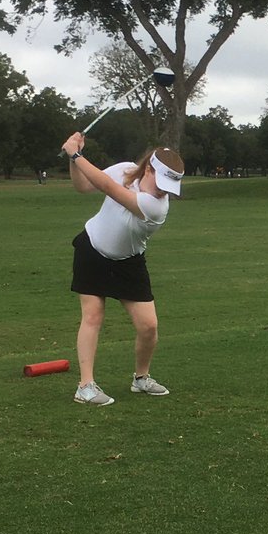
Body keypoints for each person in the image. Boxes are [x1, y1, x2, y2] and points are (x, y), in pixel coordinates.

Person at [59, 132, 185, 406]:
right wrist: (73, 158)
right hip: (92, 249)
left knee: (149, 326)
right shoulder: (125, 170)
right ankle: (85, 386)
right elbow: (83, 186)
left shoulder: (156, 207)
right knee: (92, 317)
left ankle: (141, 379)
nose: (164, 191)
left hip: (129, 261)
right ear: (149, 168)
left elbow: (108, 187)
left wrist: (77, 155)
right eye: (161, 182)